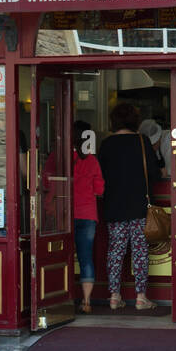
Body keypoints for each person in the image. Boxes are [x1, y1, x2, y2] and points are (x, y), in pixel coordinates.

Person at [99, 103, 162, 310]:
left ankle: (114, 296)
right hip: (139, 207)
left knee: (115, 251)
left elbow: (100, 178)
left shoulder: (107, 145)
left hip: (114, 206)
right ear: (135, 121)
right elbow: (154, 175)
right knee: (140, 251)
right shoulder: (142, 142)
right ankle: (141, 297)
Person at [70, 120, 104, 313]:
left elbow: (47, 181)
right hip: (88, 214)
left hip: (64, 214)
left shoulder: (61, 157)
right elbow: (99, 189)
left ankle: (60, 299)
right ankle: (87, 301)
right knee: (85, 257)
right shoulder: (91, 160)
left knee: (62, 257)